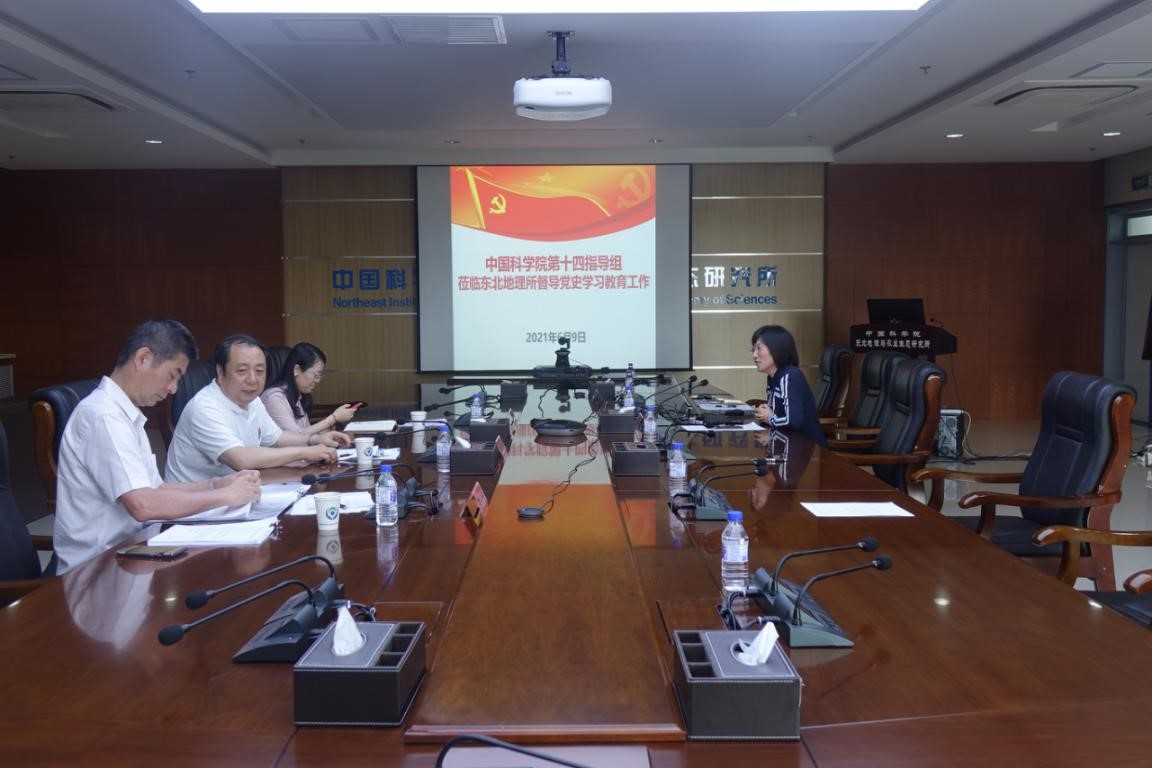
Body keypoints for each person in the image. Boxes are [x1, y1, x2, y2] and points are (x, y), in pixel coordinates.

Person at [53, 319, 263, 574]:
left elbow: (156, 489)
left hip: (134, 554)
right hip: (96, 572)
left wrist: (217, 484)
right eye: (172, 375)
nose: (173, 389)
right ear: (142, 359)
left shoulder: (124, 414)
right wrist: (226, 496)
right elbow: (144, 505)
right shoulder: (103, 416)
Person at [165, 334, 348, 483]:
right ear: (220, 372)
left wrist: (314, 439)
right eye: (242, 371)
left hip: (235, 495)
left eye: (259, 371)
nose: (252, 379)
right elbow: (241, 460)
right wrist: (304, 452)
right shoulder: (204, 408)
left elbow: (277, 438)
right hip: (196, 509)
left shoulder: (252, 400)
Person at [750, 324, 827, 448]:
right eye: (753, 350)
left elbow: (793, 420)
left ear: (777, 348)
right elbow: (777, 411)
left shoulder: (790, 376)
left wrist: (769, 417)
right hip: (785, 441)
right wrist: (764, 411)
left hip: (807, 449)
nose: (754, 355)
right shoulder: (773, 376)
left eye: (759, 348)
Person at [260, 342, 359, 438]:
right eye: (316, 375)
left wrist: (329, 434)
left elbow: (305, 432)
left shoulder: (297, 395)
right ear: (296, 370)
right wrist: (333, 418)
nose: (317, 380)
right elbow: (296, 437)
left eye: (319, 376)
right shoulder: (274, 398)